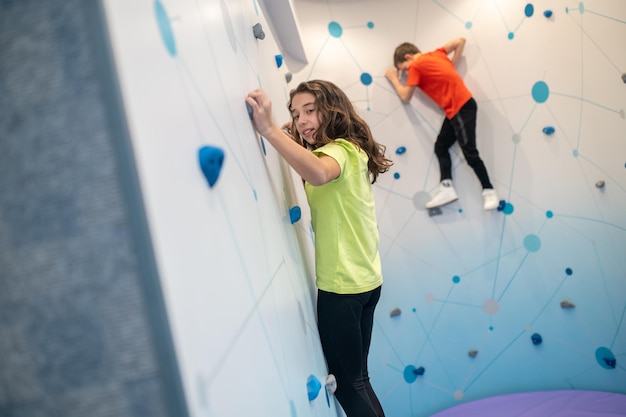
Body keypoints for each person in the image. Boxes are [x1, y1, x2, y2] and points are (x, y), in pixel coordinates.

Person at [246, 80, 392, 417]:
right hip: (367, 282)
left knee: (348, 383)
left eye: (311, 110)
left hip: (341, 287)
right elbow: (312, 159)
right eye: (297, 115)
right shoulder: (352, 149)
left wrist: (268, 129)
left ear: (333, 108)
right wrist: (293, 134)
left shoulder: (337, 151)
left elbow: (318, 172)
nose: (303, 120)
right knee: (359, 379)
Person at [385, 38, 500, 210]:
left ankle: (489, 191)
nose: (407, 73)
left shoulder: (416, 65)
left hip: (460, 107)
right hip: (457, 109)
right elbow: (460, 41)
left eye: (405, 69)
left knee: (470, 152)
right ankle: (446, 188)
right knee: (440, 146)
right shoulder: (436, 54)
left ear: (408, 57)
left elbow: (405, 96)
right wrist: (452, 64)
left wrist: (394, 78)